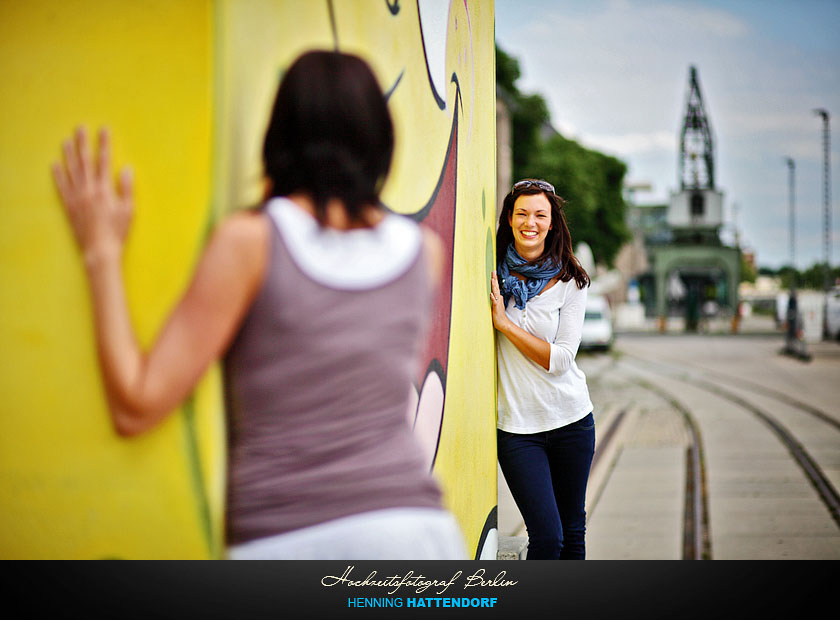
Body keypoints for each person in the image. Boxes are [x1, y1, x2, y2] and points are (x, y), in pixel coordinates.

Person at [51, 50, 466, 560]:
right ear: (382, 142)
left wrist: (101, 252)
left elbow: (138, 404)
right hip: (419, 535)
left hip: (288, 539)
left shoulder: (252, 242)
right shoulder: (422, 253)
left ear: (279, 134)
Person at [489, 178, 595, 560]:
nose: (529, 222)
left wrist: (505, 324)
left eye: (539, 215)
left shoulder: (571, 278)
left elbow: (561, 358)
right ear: (509, 219)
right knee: (548, 538)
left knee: (572, 533)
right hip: (518, 430)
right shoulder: (493, 273)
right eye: (521, 213)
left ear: (552, 223)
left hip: (571, 421)